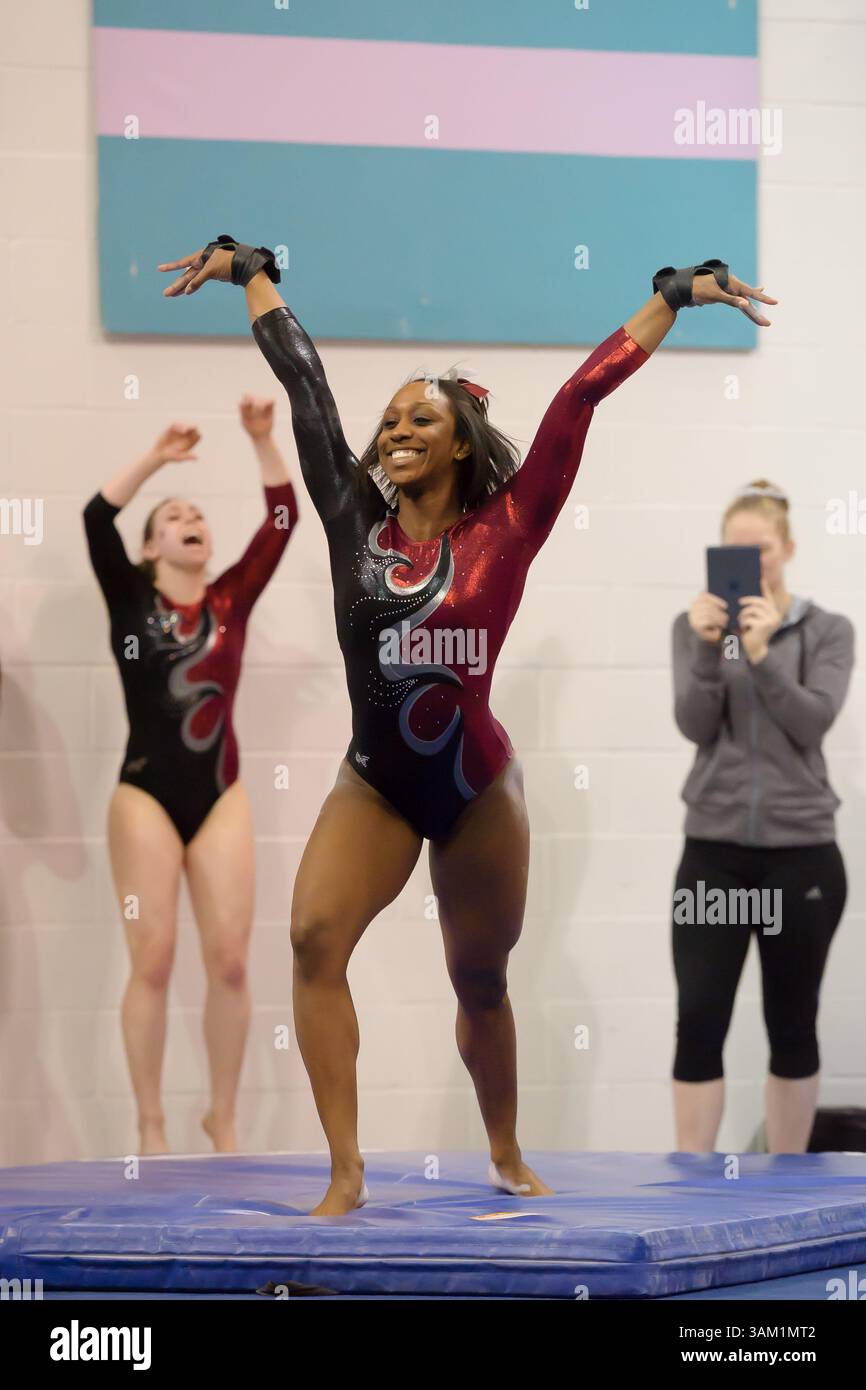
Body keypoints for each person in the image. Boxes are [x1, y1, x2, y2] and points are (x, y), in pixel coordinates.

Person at [159, 238, 774, 1211]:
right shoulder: (351, 517)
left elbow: (577, 400)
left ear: (456, 443)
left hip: (477, 787)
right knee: (313, 937)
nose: (396, 430)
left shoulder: (510, 525)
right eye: (389, 419)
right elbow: (306, 385)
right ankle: (346, 1172)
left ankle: (504, 1149)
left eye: (421, 418)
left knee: (480, 979)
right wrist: (253, 271)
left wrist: (671, 295)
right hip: (375, 783)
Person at [83, 397, 298, 1155]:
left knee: (231, 962)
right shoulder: (129, 597)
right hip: (144, 793)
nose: (190, 519)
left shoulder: (231, 599)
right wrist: (156, 458)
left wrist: (263, 439)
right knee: (154, 957)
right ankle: (150, 1124)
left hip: (221, 793)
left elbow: (282, 522)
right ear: (150, 547)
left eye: (197, 513)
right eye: (172, 516)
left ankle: (223, 1119)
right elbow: (94, 519)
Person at [671, 480, 854, 1153]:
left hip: (802, 857)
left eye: (763, 549)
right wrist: (709, 648)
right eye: (736, 550)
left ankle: (788, 1185)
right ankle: (690, 1181)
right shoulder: (697, 629)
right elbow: (695, 726)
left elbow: (812, 722)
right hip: (713, 854)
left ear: (789, 549)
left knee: (792, 1022)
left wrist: (762, 653)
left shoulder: (828, 630)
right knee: (699, 1019)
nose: (751, 563)